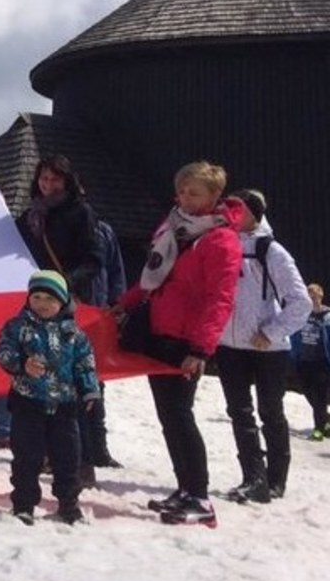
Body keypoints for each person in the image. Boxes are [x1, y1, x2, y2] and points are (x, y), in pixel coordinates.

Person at [115, 161, 243, 528]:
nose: (186, 199)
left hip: (185, 341)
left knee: (181, 415)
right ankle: (185, 488)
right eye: (182, 191)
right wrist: (123, 303)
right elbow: (153, 278)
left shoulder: (221, 240)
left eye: (195, 193)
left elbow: (221, 298)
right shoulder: (173, 227)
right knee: (169, 416)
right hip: (158, 331)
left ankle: (200, 496)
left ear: (214, 196)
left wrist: (201, 349)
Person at [15, 155, 113, 480]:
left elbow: (95, 259)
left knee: (71, 384)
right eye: (44, 178)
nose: (48, 184)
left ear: (67, 181)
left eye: (55, 179)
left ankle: (81, 461)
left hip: (69, 307)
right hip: (38, 308)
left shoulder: (80, 212)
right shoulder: (30, 216)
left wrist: (63, 286)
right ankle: (53, 455)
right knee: (43, 382)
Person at [215, 189, 311, 503]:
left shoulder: (272, 251)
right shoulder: (222, 244)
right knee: (239, 412)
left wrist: (271, 331)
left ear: (254, 213)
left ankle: (276, 479)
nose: (231, 214)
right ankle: (253, 477)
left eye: (238, 209)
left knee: (270, 410)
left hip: (268, 348)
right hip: (229, 344)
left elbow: (301, 302)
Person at [0, 270, 99, 526]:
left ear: (62, 301)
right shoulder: (18, 327)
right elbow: (2, 351)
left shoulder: (74, 333)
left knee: (67, 458)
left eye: (49, 299)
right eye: (36, 297)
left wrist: (89, 389)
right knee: (27, 456)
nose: (42, 304)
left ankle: (69, 505)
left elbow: (85, 364)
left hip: (64, 405)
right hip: (28, 403)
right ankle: (24, 505)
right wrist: (21, 364)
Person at [292, 283, 330, 441]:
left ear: (321, 296)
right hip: (304, 360)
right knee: (307, 391)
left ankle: (318, 429)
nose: (313, 300)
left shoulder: (328, 317)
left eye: (315, 296)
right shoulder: (302, 315)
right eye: (310, 297)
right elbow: (294, 335)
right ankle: (325, 420)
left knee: (320, 394)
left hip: (321, 361)